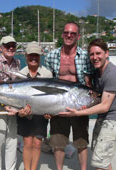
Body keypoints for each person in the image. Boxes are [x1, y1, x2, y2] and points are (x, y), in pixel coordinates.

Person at [59, 38, 116, 170]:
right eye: (91, 54)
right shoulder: (98, 72)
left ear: (106, 53)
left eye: (98, 53)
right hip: (104, 118)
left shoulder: (111, 74)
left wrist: (77, 113)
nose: (95, 57)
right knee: (102, 158)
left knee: (99, 162)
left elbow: (104, 106)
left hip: (115, 120)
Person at [44, 22, 94, 170]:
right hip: (58, 104)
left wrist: (89, 104)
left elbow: (91, 82)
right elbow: (47, 84)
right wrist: (47, 107)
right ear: (62, 34)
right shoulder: (51, 55)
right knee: (58, 141)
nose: (69, 35)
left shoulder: (85, 56)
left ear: (78, 36)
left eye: (73, 33)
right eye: (66, 32)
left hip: (79, 104)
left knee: (81, 142)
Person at [0, 35, 31, 170]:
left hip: (12, 108)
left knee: (12, 142)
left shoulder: (17, 63)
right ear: (1, 48)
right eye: (7, 46)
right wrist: (8, 106)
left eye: (13, 46)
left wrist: (17, 107)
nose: (11, 48)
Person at [17, 41, 52, 170]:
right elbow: (16, 98)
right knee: (27, 142)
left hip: (41, 112)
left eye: (36, 55)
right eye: (31, 55)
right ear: (26, 56)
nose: (33, 58)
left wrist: (50, 113)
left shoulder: (47, 74)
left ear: (40, 56)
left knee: (37, 143)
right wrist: (19, 111)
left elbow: (50, 97)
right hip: (25, 111)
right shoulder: (20, 74)